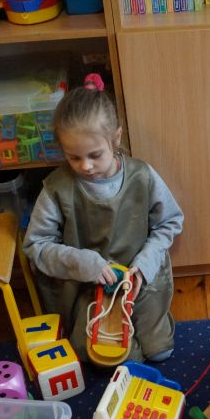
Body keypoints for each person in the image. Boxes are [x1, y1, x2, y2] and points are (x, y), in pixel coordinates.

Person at [23, 75, 183, 363]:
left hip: (140, 279)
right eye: (74, 158)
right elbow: (36, 246)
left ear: (116, 138)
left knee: (160, 350)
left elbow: (169, 222)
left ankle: (147, 332)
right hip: (89, 284)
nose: (86, 166)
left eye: (95, 155)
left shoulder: (142, 175)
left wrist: (145, 264)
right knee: (111, 357)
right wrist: (82, 263)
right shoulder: (58, 187)